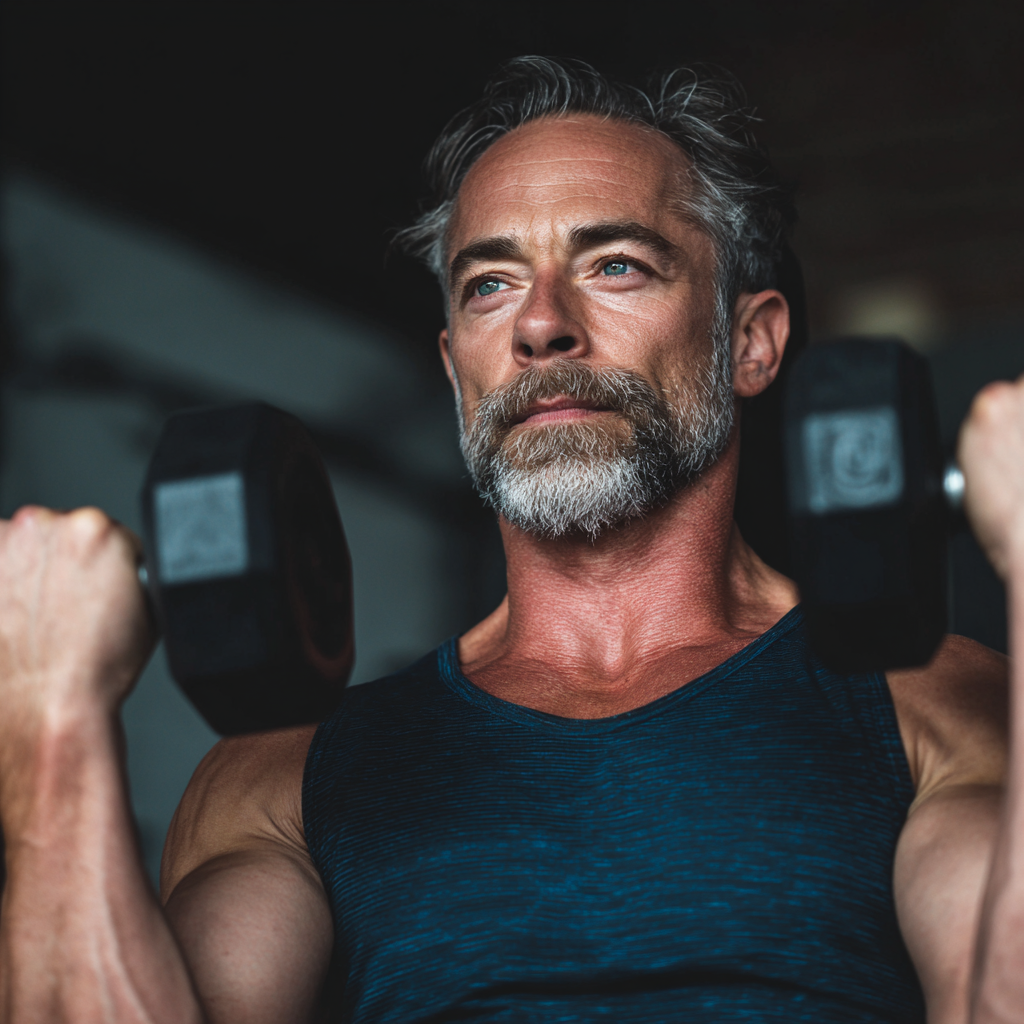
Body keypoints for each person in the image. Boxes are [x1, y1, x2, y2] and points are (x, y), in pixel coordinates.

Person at [0, 56, 1020, 1024]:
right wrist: (52, 721)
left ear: (749, 341)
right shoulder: (286, 773)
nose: (540, 326)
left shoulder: (936, 709)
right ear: (456, 369)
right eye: (490, 283)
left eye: (615, 265)